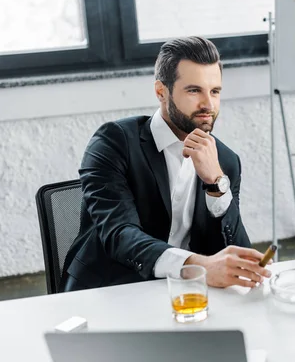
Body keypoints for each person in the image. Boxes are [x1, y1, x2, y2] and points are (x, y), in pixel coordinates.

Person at [60, 36, 271, 292]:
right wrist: (198, 267)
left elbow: (236, 250)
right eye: (194, 90)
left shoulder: (225, 160)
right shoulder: (113, 142)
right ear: (162, 92)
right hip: (111, 290)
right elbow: (119, 235)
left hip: (184, 293)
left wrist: (216, 183)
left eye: (215, 91)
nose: (208, 104)